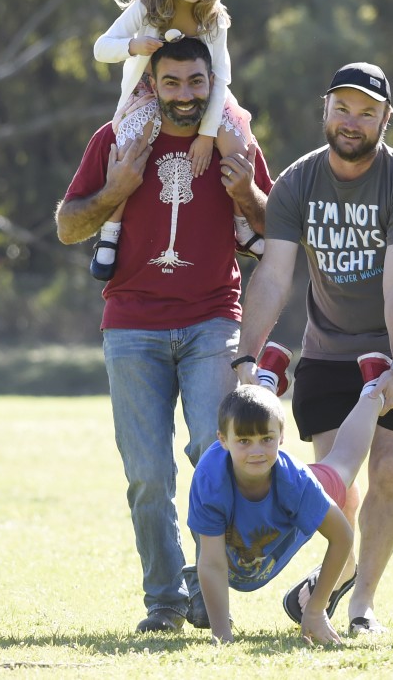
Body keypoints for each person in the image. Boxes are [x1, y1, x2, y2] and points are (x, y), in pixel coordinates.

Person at [55, 36, 273, 633]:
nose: (184, 96)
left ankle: (209, 587)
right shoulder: (118, 139)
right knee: (147, 473)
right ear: (151, 83)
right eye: (171, 83)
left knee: (215, 451)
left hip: (212, 318)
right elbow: (69, 225)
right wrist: (115, 192)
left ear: (213, 82)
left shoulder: (234, 139)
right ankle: (164, 602)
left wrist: (244, 191)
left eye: (196, 83)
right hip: (131, 324)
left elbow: (274, 231)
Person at [231, 62, 393, 638]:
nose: (353, 121)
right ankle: (321, 593)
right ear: (325, 110)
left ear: (385, 120)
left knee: (390, 473)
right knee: (338, 485)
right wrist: (245, 361)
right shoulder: (297, 183)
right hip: (329, 348)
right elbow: (274, 276)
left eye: (367, 112)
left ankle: (361, 603)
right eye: (343, 108)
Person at [90, 0, 262, 281]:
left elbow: (222, 79)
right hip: (149, 91)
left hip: (203, 91)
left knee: (236, 142)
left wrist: (207, 134)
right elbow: (101, 47)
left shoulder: (214, 20)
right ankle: (109, 235)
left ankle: (242, 225)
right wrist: (133, 46)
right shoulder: (149, 6)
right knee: (131, 144)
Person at [189, 359, 393, 645]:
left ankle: (373, 392)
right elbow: (212, 563)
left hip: (292, 495)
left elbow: (342, 536)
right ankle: (266, 381)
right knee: (254, 416)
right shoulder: (210, 482)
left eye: (267, 439)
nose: (257, 451)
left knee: (345, 463)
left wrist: (316, 609)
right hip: (244, 504)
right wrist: (221, 634)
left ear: (281, 438)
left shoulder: (297, 483)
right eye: (244, 441)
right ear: (223, 440)